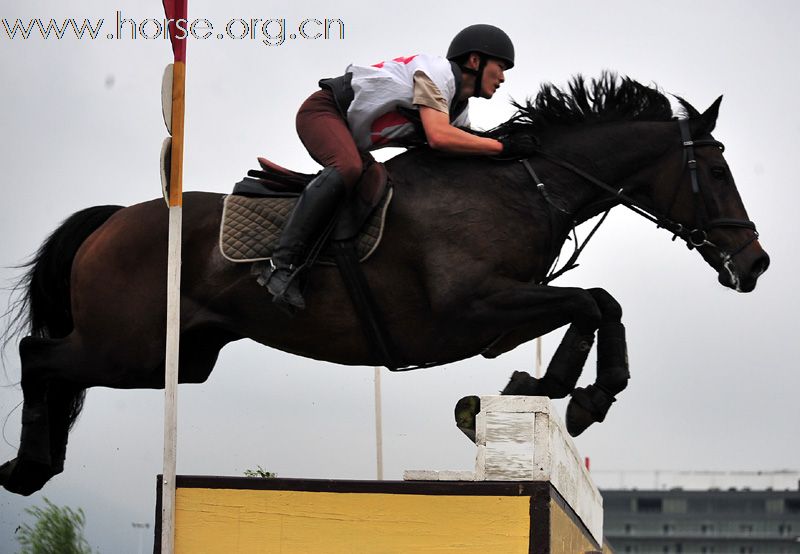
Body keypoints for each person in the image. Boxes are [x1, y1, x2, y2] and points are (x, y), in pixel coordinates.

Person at [260, 23, 536, 310]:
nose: (503, 78)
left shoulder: (459, 111)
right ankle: (280, 264)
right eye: (500, 67)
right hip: (322, 112)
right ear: (475, 61)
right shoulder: (437, 72)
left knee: (377, 186)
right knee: (348, 168)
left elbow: (465, 151)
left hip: (351, 139)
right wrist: (503, 147)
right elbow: (439, 137)